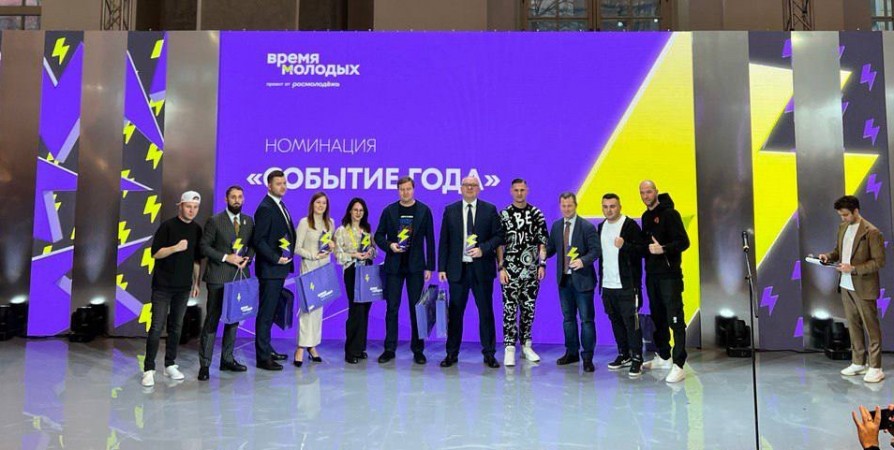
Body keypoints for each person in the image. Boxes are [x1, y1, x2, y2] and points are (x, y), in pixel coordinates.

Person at [438, 176, 504, 369]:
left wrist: (483, 249)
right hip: (457, 270)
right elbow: (444, 241)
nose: (470, 188)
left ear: (479, 189)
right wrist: (441, 268)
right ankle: (451, 353)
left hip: (482, 269)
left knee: (486, 312)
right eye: (466, 185)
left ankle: (489, 354)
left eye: (473, 185)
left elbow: (499, 236)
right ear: (461, 188)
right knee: (455, 313)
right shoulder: (450, 210)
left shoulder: (489, 209)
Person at [819, 195, 886, 383]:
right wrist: (828, 256)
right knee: (853, 325)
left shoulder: (872, 232)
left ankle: (876, 367)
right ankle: (858, 362)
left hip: (864, 286)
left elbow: (879, 262)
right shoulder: (843, 227)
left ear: (856, 211)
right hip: (845, 284)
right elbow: (839, 252)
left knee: (871, 327)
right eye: (841, 215)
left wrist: (854, 269)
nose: (843, 218)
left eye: (846, 215)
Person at [141, 191, 203, 387]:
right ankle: (149, 369)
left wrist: (196, 283)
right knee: (157, 326)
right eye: (188, 206)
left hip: (183, 287)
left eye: (195, 207)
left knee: (176, 327)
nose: (192, 210)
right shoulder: (167, 226)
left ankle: (170, 364)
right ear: (180, 206)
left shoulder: (197, 229)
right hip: (163, 286)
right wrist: (175, 248)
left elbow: (196, 260)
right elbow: (155, 253)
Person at [374, 176, 436, 365]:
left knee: (416, 309)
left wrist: (430, 266)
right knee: (392, 308)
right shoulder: (389, 210)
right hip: (394, 266)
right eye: (402, 189)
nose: (405, 192)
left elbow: (430, 239)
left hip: (416, 267)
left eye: (408, 189)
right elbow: (378, 236)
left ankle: (418, 349)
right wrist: (390, 245)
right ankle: (389, 349)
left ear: (413, 189)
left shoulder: (424, 210)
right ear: (398, 190)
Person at [197, 185, 254, 381]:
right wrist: (225, 257)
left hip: (239, 277)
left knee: (234, 320)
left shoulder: (248, 221)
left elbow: (252, 245)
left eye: (240, 197)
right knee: (212, 320)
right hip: (218, 277)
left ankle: (227, 359)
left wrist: (248, 259)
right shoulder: (214, 221)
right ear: (226, 199)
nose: (237, 200)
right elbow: (204, 247)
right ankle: (205, 365)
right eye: (233, 197)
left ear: (243, 199)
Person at [639, 180, 690, 383]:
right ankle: (664, 356)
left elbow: (684, 242)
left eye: (649, 192)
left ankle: (679, 364)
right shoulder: (645, 217)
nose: (646, 196)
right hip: (652, 275)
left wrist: (664, 249)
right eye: (642, 193)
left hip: (670, 276)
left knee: (675, 318)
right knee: (658, 317)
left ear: (656, 192)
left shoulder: (670, 214)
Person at [545, 192, 600, 373]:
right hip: (564, 280)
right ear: (560, 206)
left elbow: (596, 251)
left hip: (583, 281)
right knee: (568, 319)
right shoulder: (556, 226)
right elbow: (552, 248)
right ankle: (572, 352)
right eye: (564, 206)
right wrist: (543, 251)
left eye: (569, 205)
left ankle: (588, 357)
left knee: (586, 320)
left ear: (575, 205)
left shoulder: (586, 227)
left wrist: (583, 261)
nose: (567, 209)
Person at [496, 178, 548, 367]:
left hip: (531, 272)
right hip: (510, 271)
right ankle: (509, 348)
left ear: (527, 191)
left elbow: (543, 242)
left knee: (528, 309)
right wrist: (501, 267)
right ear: (511, 191)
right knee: (509, 309)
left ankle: (526, 346)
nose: (519, 193)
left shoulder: (536, 214)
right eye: (516, 190)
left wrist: (542, 264)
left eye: (522, 190)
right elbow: (499, 244)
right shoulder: (504, 215)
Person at [597, 193, 645, 379]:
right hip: (607, 285)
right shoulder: (601, 227)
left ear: (620, 207)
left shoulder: (630, 225)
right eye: (605, 206)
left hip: (627, 285)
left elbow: (642, 250)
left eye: (612, 206)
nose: (609, 210)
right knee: (615, 321)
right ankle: (624, 354)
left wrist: (625, 245)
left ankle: (637, 357)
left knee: (631, 322)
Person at [252, 170, 295, 371]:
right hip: (270, 269)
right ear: (269, 186)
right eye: (278, 183)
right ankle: (262, 358)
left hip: (278, 270)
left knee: (271, 313)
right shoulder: (265, 208)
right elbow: (258, 240)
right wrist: (276, 258)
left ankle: (267, 349)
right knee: (266, 314)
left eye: (284, 183)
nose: (283, 186)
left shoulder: (279, 205)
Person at [293, 192, 335, 367]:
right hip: (308, 269)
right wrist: (312, 255)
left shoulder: (330, 223)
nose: (321, 206)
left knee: (318, 311)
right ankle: (300, 347)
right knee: (307, 310)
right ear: (312, 204)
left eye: (324, 203)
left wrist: (331, 247)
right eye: (318, 202)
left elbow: (330, 247)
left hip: (323, 270)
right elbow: (296, 248)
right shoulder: (305, 222)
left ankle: (312, 346)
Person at [335, 198, 377, 364]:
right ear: (350, 211)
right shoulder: (342, 231)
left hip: (367, 270)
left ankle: (360, 348)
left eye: (361, 210)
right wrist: (354, 255)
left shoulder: (367, 230)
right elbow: (338, 255)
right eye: (355, 210)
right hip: (352, 271)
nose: (358, 213)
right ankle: (350, 351)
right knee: (355, 310)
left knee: (365, 309)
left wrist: (370, 253)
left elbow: (374, 251)